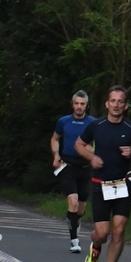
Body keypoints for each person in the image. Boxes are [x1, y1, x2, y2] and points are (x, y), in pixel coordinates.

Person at [75, 85, 131, 262]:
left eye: (120, 101)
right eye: (113, 101)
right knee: (102, 233)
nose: (116, 105)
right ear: (107, 104)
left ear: (125, 106)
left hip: (122, 185)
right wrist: (91, 158)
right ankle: (96, 247)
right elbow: (78, 145)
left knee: (119, 230)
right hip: (100, 185)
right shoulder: (96, 126)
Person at [51, 90, 95, 253]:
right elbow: (55, 138)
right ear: (72, 104)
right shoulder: (63, 121)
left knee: (80, 209)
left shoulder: (93, 123)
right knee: (73, 201)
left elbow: (101, 142)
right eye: (76, 103)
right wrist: (56, 154)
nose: (79, 107)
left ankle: (75, 221)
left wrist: (93, 152)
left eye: (82, 104)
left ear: (86, 105)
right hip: (67, 165)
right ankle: (74, 240)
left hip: (85, 168)